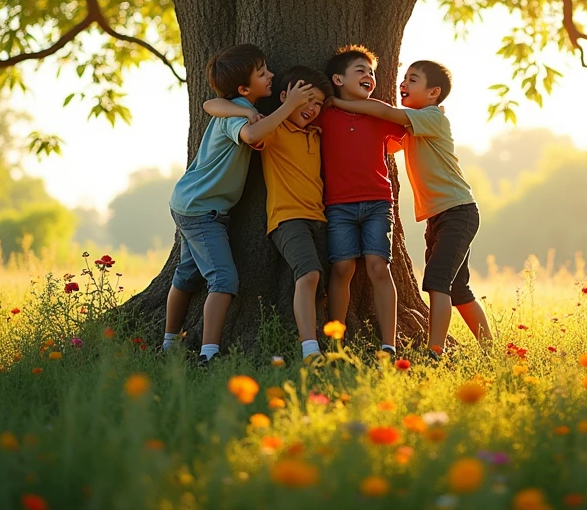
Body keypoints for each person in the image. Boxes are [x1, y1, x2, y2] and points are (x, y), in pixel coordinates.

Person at [164, 43, 313, 365]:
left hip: (194, 204)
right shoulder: (238, 111)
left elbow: (216, 107)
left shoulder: (237, 108)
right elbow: (250, 134)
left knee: (188, 275)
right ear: (244, 88)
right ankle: (208, 353)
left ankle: (168, 342)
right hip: (201, 210)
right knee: (223, 280)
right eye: (263, 73)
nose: (270, 74)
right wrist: (288, 106)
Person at [332, 58, 492, 357]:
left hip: (458, 211)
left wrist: (341, 105)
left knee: (437, 282)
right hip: (440, 216)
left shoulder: (432, 118)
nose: (403, 84)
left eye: (413, 79)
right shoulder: (414, 125)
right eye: (403, 78)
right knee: (457, 289)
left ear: (433, 92)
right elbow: (386, 141)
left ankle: (435, 351)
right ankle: (490, 349)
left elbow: (384, 112)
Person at [204, 65, 333, 363]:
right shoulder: (273, 130)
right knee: (309, 272)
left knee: (323, 279)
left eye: (318, 103)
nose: (312, 109)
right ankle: (310, 348)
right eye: (306, 99)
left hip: (320, 218)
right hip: (287, 219)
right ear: (286, 96)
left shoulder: (315, 135)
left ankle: (332, 339)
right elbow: (212, 105)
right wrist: (271, 111)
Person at [318, 45, 405, 357]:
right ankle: (336, 343)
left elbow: (401, 132)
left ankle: (388, 344)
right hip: (338, 205)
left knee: (378, 267)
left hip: (378, 202)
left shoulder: (378, 113)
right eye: (361, 71)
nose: (369, 76)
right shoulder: (324, 116)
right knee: (341, 268)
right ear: (338, 79)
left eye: (372, 73)